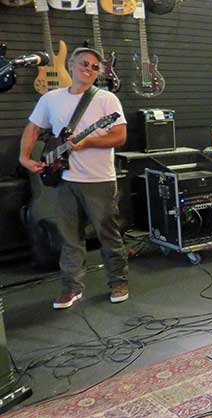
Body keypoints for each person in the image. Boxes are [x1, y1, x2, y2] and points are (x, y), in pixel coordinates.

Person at [19, 47, 129, 309]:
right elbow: (33, 128)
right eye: (84, 63)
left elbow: (120, 136)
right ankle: (71, 288)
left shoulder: (106, 100)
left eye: (94, 67)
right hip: (64, 178)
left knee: (108, 235)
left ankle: (118, 282)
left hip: (99, 180)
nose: (89, 69)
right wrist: (24, 157)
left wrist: (88, 142)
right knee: (69, 238)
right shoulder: (51, 99)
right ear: (70, 64)